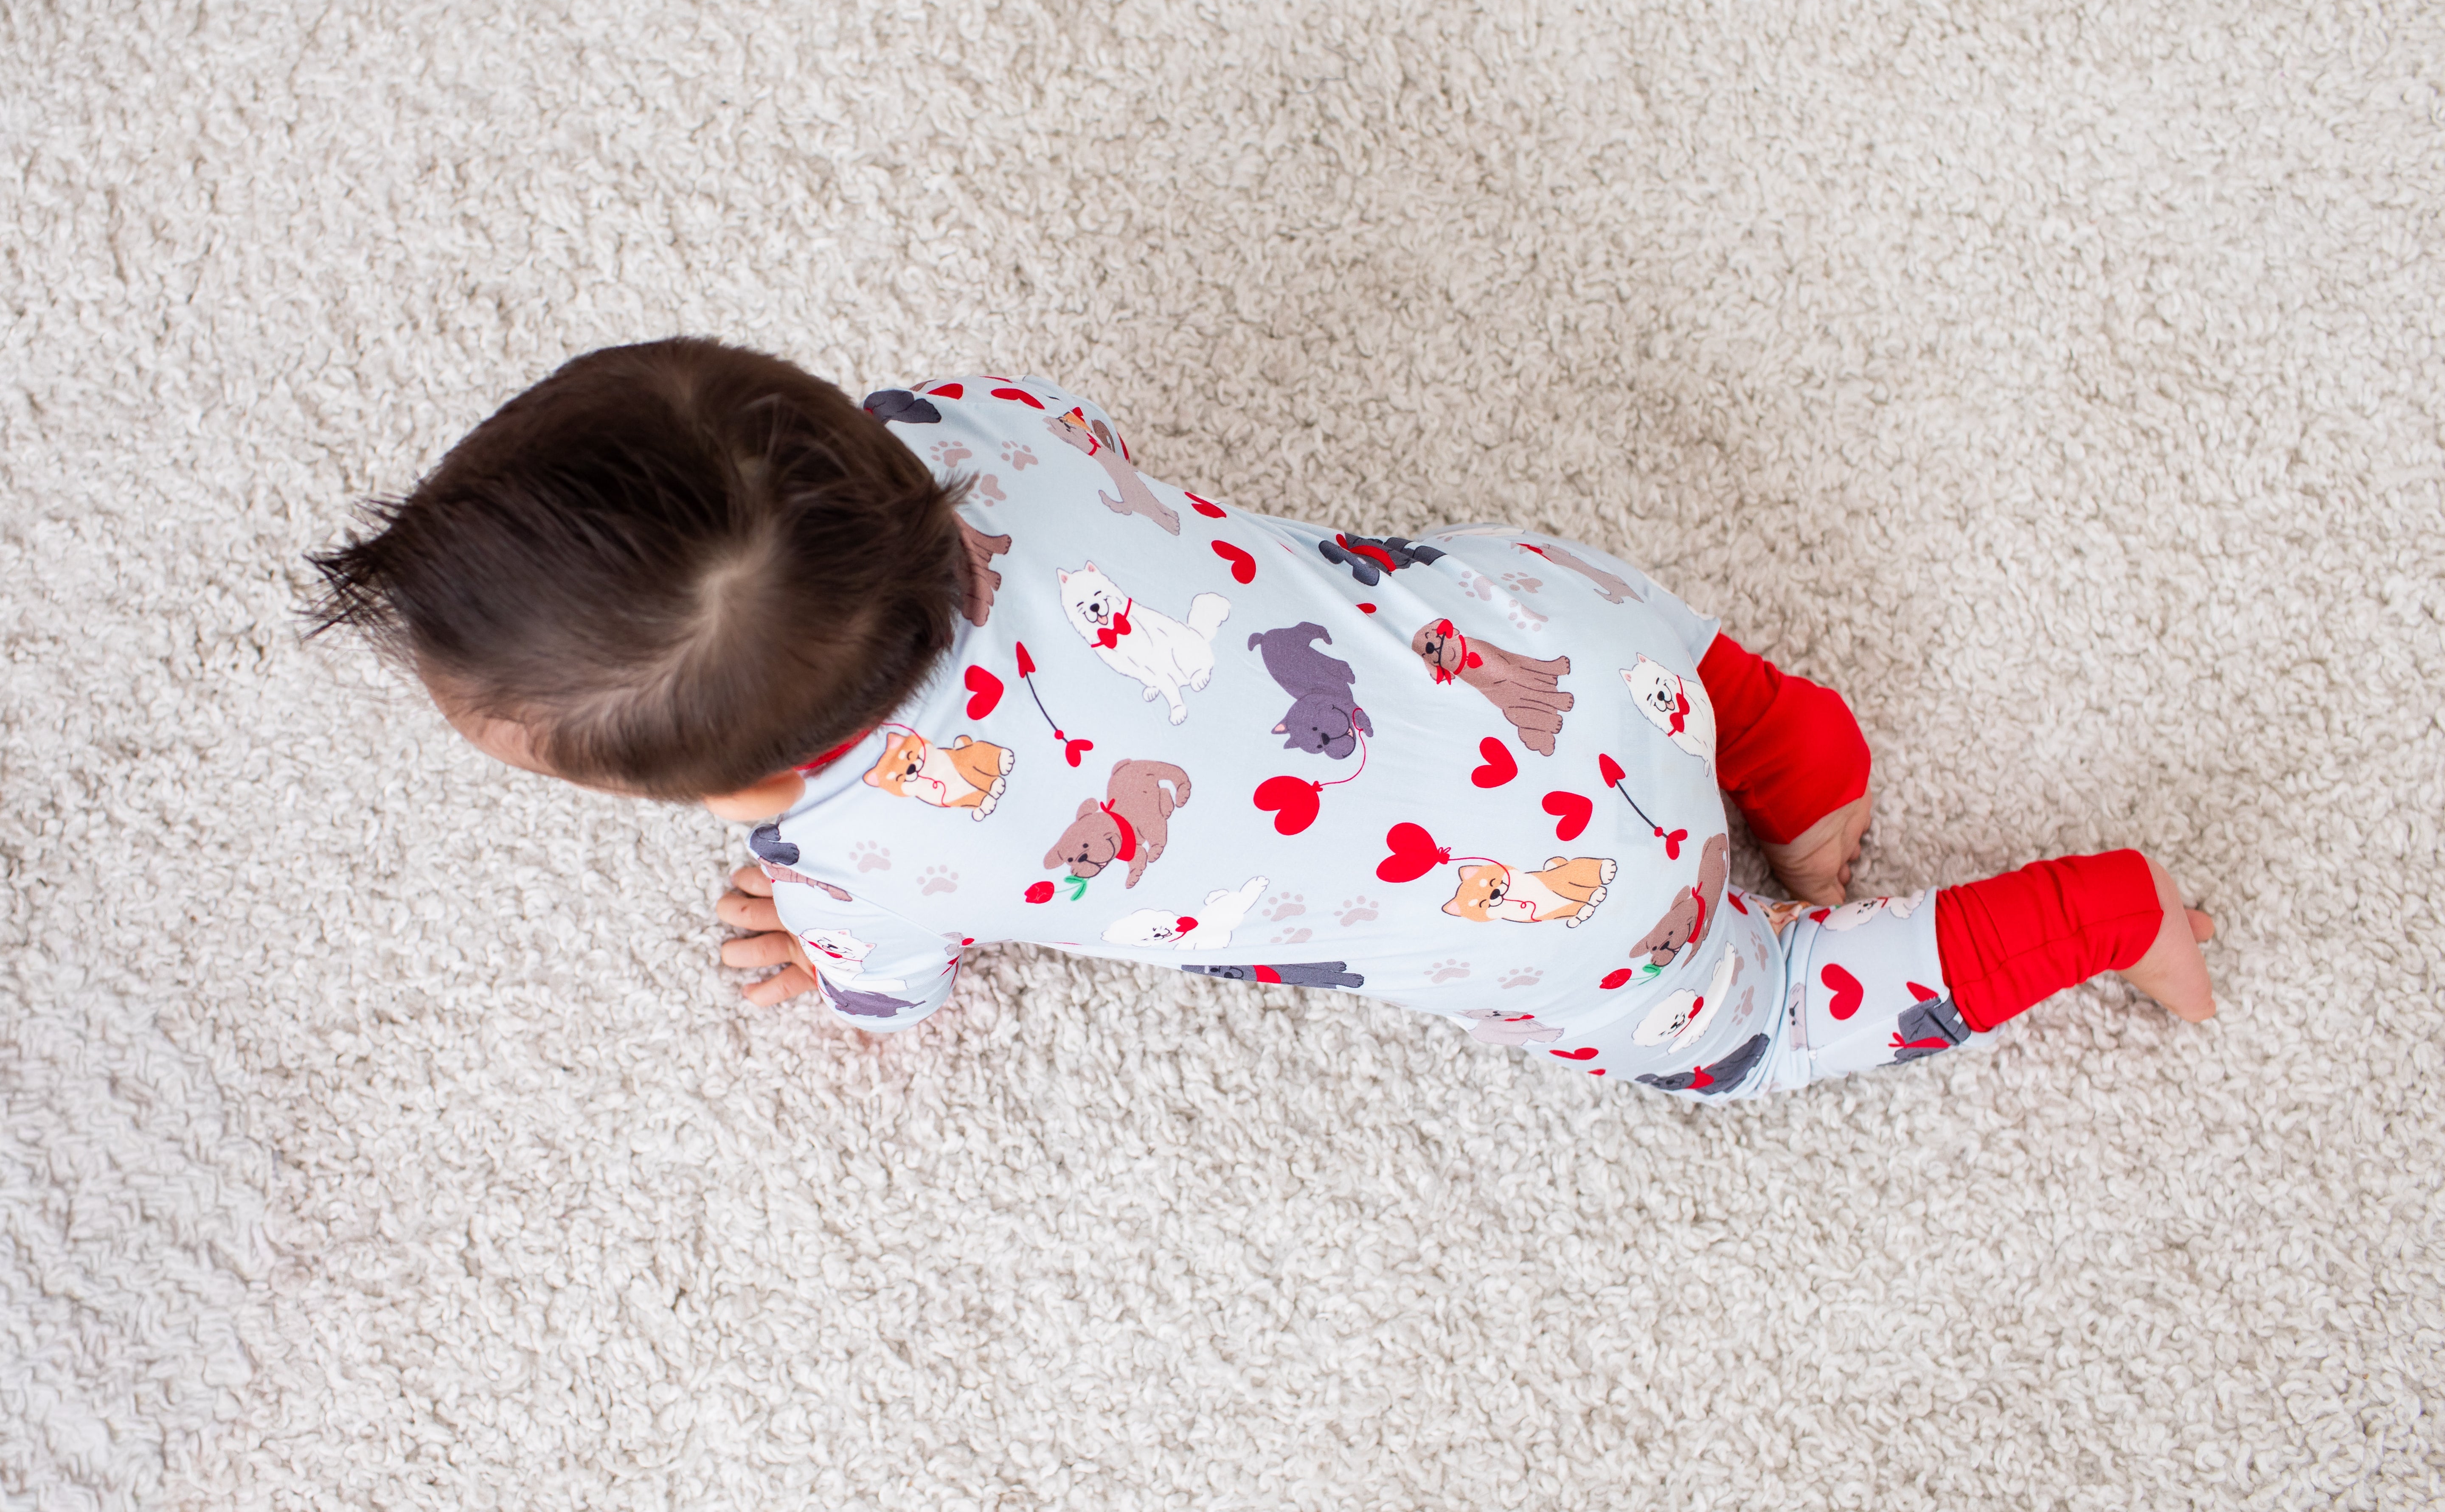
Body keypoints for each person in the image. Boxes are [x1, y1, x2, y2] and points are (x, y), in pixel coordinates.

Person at [307, 338, 2214, 1100]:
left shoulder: (865, 848)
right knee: (1669, 668)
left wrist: (830, 949)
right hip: (1550, 617)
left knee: (1756, 1023)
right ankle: (1792, 752)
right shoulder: (944, 432)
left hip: (1569, 903)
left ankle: (2106, 918)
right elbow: (1082, 427)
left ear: (765, 782)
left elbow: (892, 995)